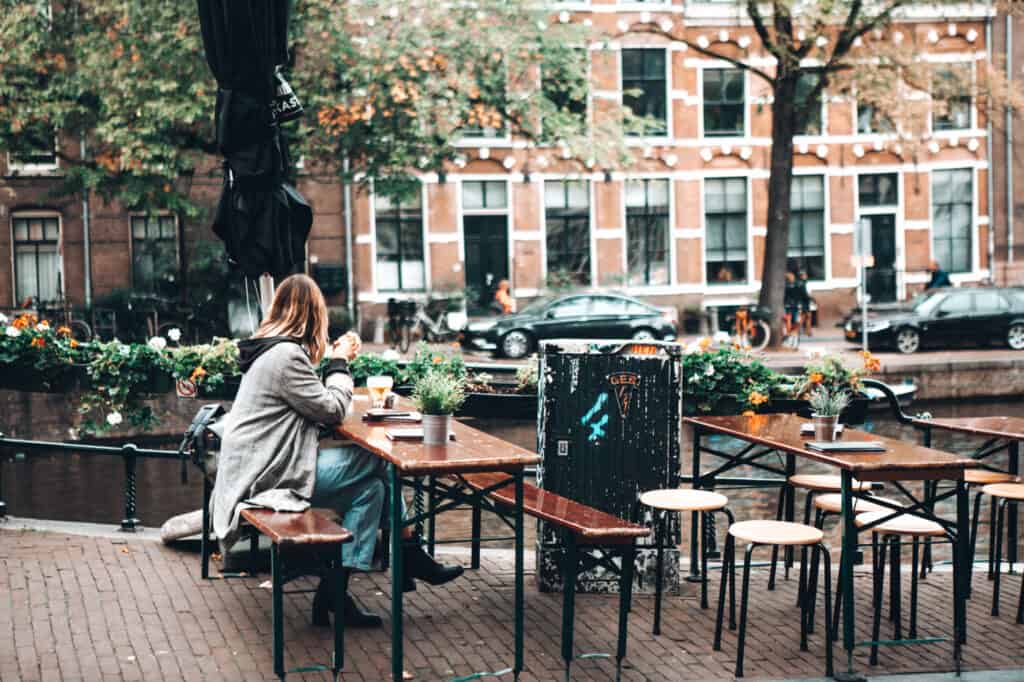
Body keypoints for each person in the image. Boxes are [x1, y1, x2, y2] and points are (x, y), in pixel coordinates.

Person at [210, 274, 462, 630]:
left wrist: (330, 364)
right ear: (314, 315)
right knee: (380, 455)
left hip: (264, 466)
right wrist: (339, 363)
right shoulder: (286, 356)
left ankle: (334, 593)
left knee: (372, 491)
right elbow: (332, 409)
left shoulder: (272, 349)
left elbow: (307, 407)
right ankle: (408, 552)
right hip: (267, 479)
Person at [798, 270, 814, 337]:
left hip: (803, 302)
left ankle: (807, 331)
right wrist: (811, 299)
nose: (806, 276)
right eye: (804, 275)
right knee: (806, 317)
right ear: (802, 276)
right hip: (805, 302)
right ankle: (807, 332)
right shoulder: (803, 284)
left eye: (805, 275)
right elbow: (805, 294)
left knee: (806, 317)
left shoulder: (800, 283)